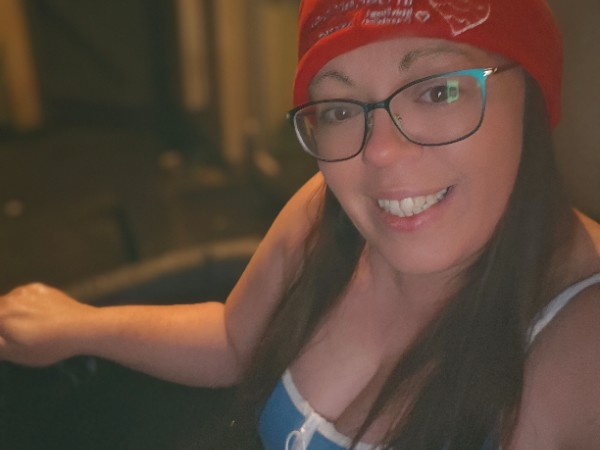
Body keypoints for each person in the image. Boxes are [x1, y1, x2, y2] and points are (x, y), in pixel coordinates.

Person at [1, 0, 599, 448]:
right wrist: (82, 327)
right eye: (340, 109)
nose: (380, 152)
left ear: (534, 94)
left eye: (438, 91)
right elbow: (235, 340)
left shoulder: (582, 346)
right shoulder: (327, 208)